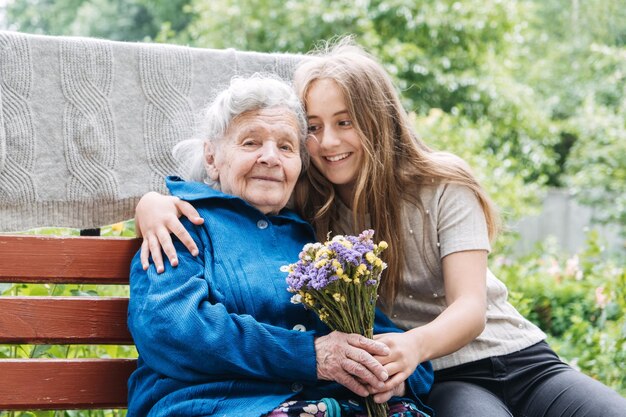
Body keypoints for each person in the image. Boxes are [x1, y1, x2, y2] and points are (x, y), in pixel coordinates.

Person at [134, 41, 626, 417]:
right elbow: (175, 324)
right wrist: (155, 201)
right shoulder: (232, 221)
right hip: (423, 382)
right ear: (213, 155)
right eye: (315, 129)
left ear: (377, 121)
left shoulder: (340, 214)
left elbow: (437, 315)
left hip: (507, 356)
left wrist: (395, 365)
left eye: (288, 145)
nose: (325, 143)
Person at [127, 74, 433, 417]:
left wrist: (396, 372)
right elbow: (172, 331)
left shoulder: (311, 242)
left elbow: (377, 330)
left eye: (286, 147)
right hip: (215, 406)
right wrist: (310, 356)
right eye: (251, 143)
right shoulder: (181, 225)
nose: (270, 157)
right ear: (212, 158)